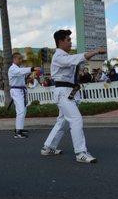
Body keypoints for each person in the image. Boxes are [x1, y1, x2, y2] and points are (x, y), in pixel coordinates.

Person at [41, 29, 106, 163]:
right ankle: (80, 153)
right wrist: (95, 51)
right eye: (68, 40)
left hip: (68, 91)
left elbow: (74, 62)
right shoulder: (59, 56)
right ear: (60, 42)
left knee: (62, 121)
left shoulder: (64, 56)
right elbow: (74, 59)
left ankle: (48, 147)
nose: (71, 43)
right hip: (63, 92)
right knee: (76, 119)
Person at [8, 52, 40, 138]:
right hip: (16, 91)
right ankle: (18, 132)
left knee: (23, 110)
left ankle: (19, 128)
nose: (21, 60)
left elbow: (22, 73)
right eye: (19, 59)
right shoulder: (13, 68)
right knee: (21, 111)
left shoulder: (19, 68)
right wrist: (32, 68)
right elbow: (21, 71)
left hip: (21, 90)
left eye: (21, 58)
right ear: (14, 59)